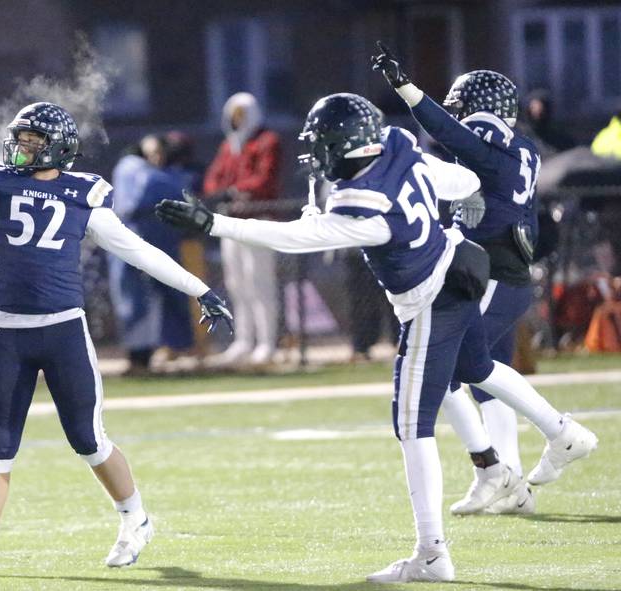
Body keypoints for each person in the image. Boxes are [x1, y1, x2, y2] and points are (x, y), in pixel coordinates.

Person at [157, 92, 598, 583]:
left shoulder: (363, 206)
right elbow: (464, 179)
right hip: (459, 271)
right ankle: (561, 434)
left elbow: (295, 239)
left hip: (430, 301)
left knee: (412, 426)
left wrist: (213, 223)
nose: (318, 154)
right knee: (477, 370)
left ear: (347, 146)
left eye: (324, 144)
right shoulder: (397, 144)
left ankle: (431, 554)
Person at [0, 102, 232, 577]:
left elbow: (140, 252)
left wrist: (200, 289)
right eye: (18, 139)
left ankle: (136, 518)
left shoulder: (84, 198)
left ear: (57, 148)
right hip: (7, 331)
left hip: (63, 330)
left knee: (88, 439)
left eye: (31, 141)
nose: (19, 148)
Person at [372, 43, 546, 516]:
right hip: (502, 274)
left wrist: (406, 88)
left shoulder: (489, 150)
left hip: (490, 275)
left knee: (447, 370)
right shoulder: (522, 148)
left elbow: (448, 133)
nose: (460, 118)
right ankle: (508, 476)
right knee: (487, 377)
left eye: (464, 110)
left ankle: (549, 439)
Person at [203, 92, 281, 366]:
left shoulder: (267, 140)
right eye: (234, 115)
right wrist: (224, 192)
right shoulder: (229, 145)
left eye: (242, 115)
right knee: (237, 284)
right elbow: (212, 180)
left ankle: (267, 342)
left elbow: (264, 179)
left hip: (257, 219)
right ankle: (244, 340)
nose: (238, 121)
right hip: (230, 222)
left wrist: (236, 190)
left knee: (259, 282)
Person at [108, 135, 195, 374]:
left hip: (134, 242)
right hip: (140, 240)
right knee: (142, 301)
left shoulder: (134, 171)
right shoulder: (136, 169)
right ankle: (146, 356)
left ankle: (150, 355)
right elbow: (142, 197)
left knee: (139, 301)